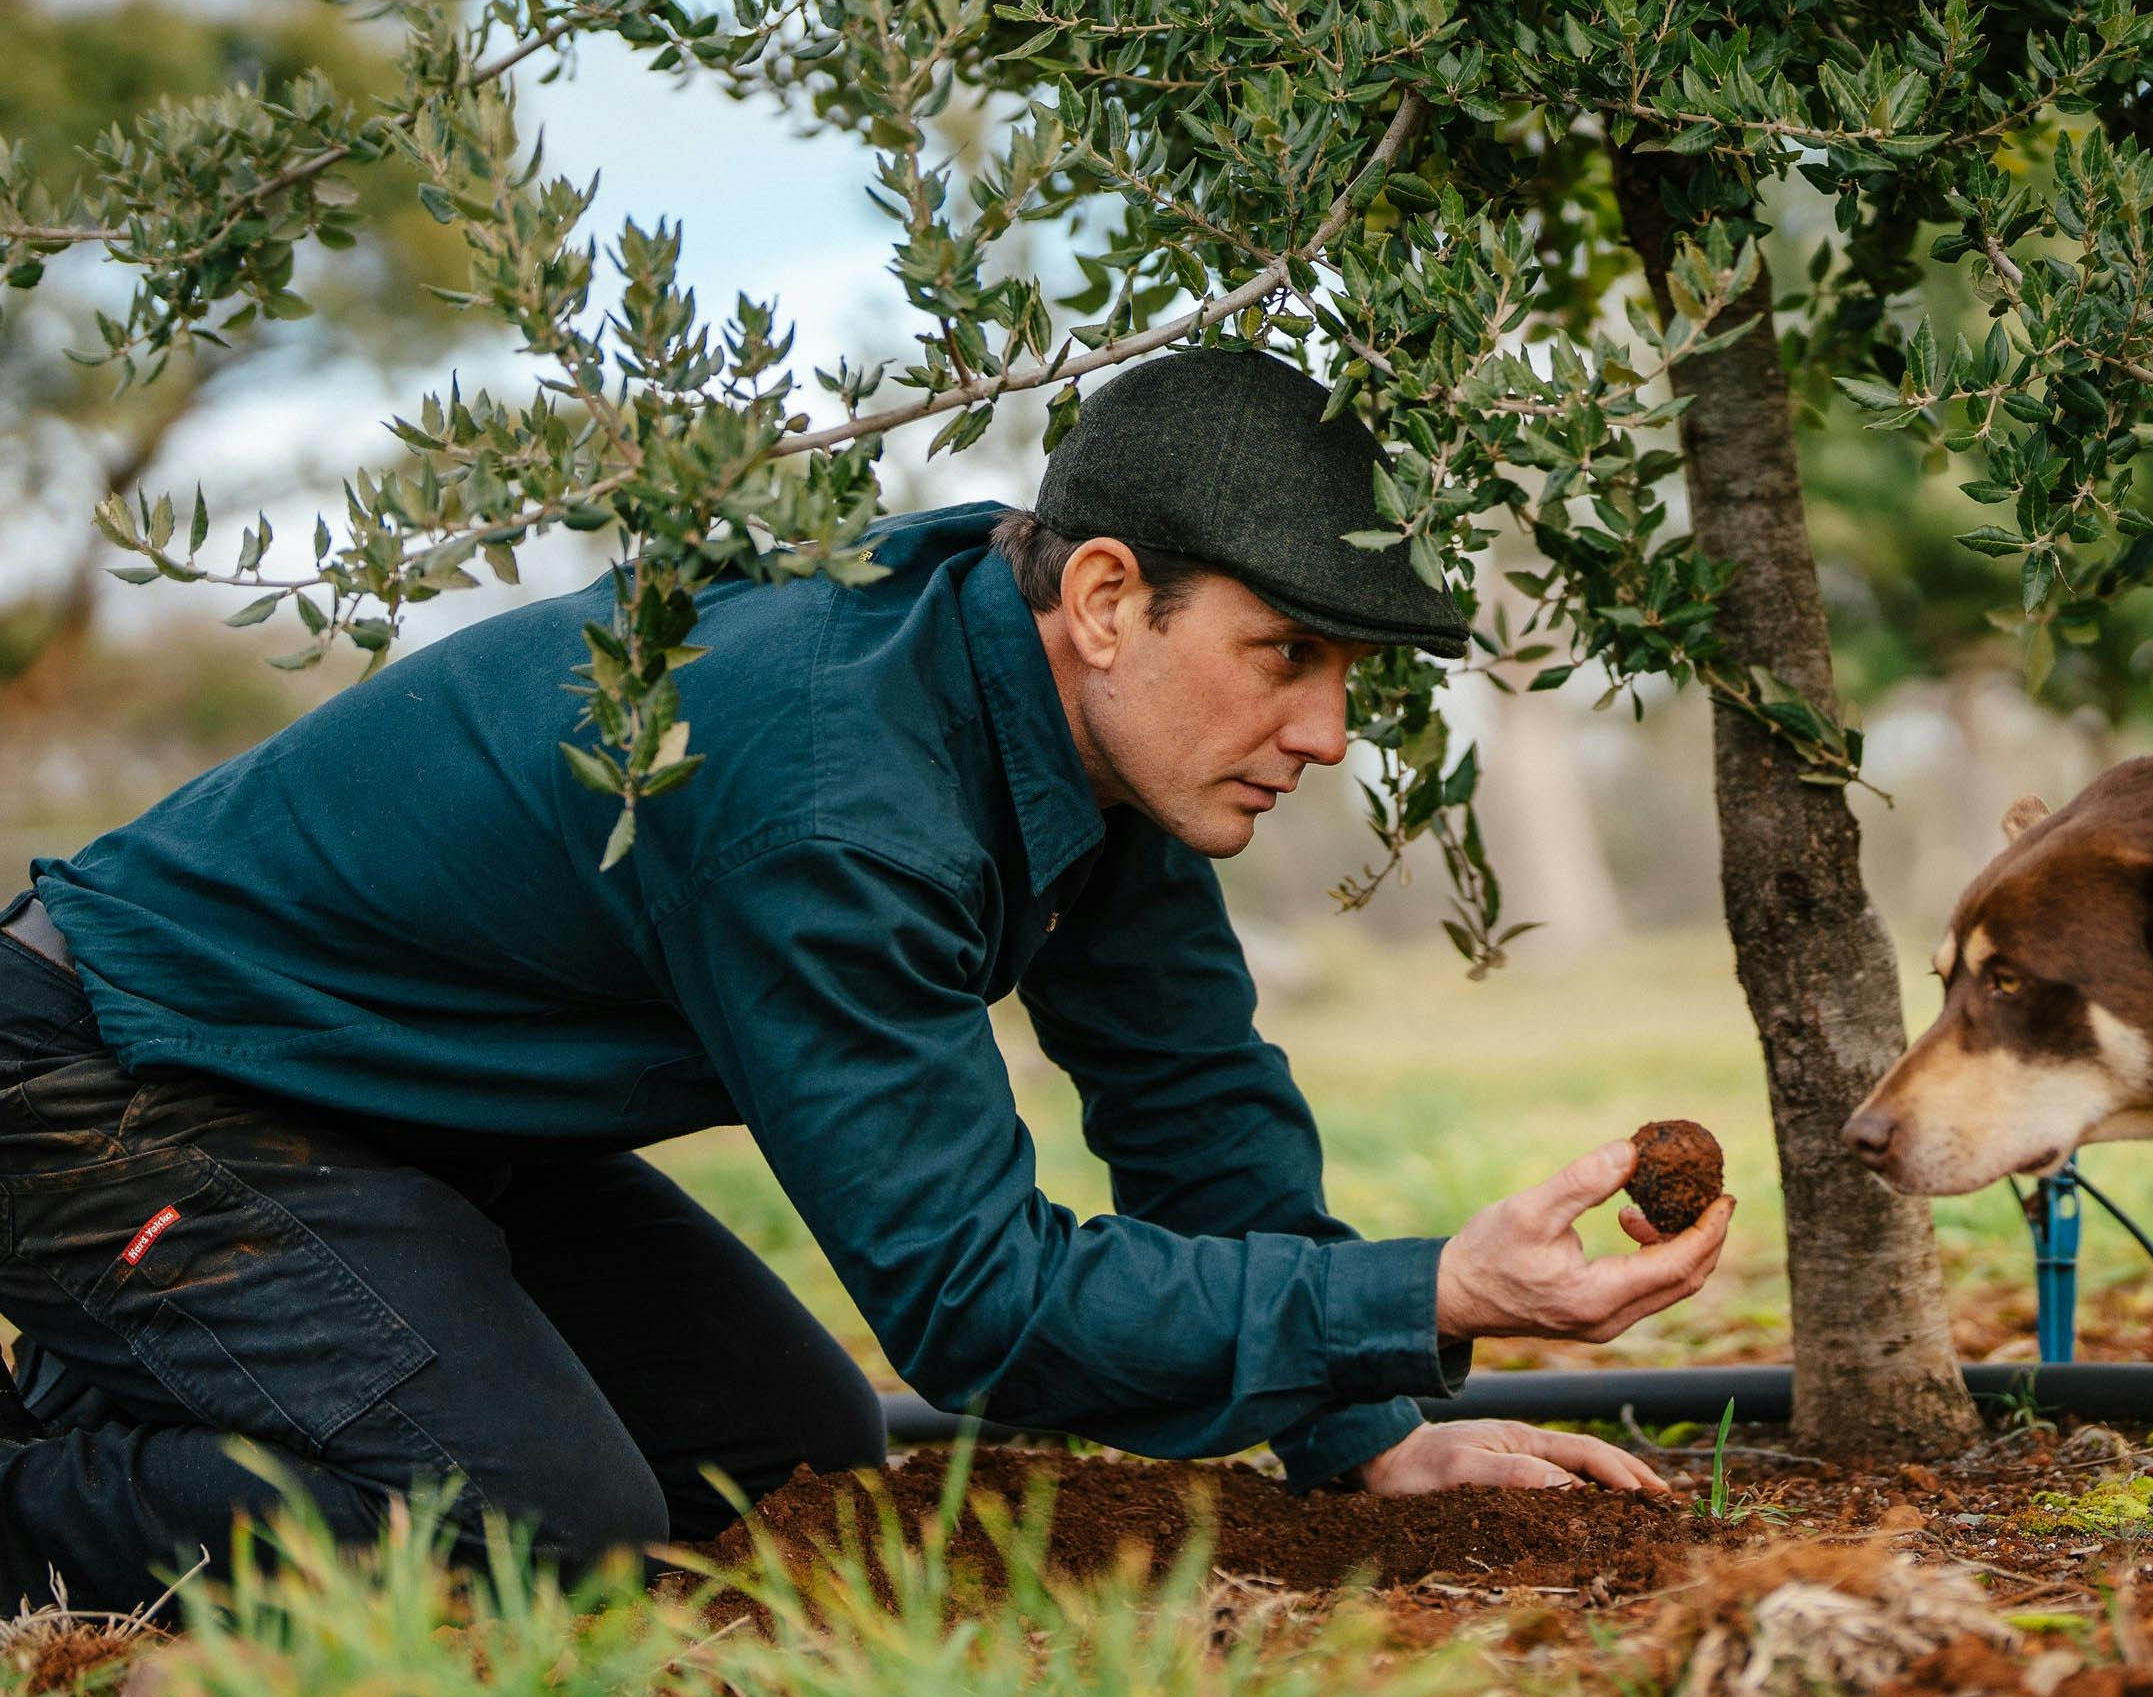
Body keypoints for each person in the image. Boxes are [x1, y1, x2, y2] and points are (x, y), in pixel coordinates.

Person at [0, 345, 1730, 1613]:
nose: (1328, 731)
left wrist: (1362, 1425)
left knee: (781, 1461)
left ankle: (174, 1368)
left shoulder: (1081, 725)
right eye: (1285, 654)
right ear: (1111, 596)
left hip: (397, 1110)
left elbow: (1189, 1098)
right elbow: (982, 1310)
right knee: (544, 1532)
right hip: (126, 1080)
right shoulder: (841, 796)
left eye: (1346, 671)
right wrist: (1425, 1293)